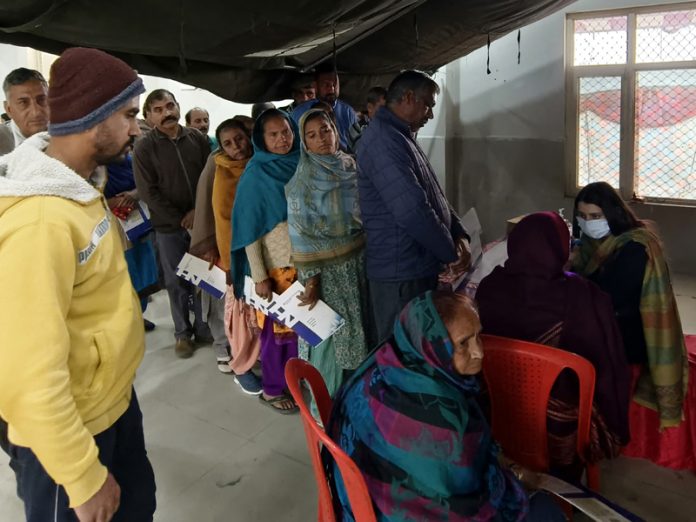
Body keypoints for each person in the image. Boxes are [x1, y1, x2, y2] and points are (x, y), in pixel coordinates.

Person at [0, 47, 155, 522]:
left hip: (110, 403)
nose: (136, 128)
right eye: (129, 114)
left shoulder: (81, 188)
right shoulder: (41, 222)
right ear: (94, 116)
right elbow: (26, 374)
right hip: (72, 435)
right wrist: (83, 477)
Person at [328, 291, 566, 521]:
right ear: (431, 347)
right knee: (545, 509)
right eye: (463, 344)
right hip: (386, 509)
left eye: (478, 336)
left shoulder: (387, 360)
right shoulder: (441, 421)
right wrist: (514, 478)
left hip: (363, 495)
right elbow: (469, 503)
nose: (479, 352)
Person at [476, 212, 631, 474]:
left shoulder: (489, 286)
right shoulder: (583, 295)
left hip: (493, 411)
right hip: (556, 428)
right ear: (560, 248)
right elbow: (607, 367)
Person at [357, 69, 470, 345]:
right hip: (399, 273)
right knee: (400, 353)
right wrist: (449, 252)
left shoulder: (401, 134)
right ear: (408, 97)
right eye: (428, 105)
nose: (431, 114)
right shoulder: (383, 141)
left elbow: (433, 194)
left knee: (419, 348)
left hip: (415, 265)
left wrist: (460, 234)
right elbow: (412, 211)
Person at [571, 181, 688, 430]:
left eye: (595, 216)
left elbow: (607, 296)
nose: (587, 222)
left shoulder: (636, 247)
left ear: (612, 214)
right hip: (609, 321)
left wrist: (566, 278)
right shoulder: (592, 246)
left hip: (631, 334)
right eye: (581, 216)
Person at [286, 109, 369, 396]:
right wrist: (311, 281)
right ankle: (324, 410)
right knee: (330, 338)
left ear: (336, 130)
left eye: (326, 130)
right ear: (304, 143)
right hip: (326, 275)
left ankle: (354, 400)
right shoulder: (303, 181)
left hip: (357, 263)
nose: (322, 139)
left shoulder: (350, 165)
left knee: (358, 332)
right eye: (312, 135)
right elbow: (301, 235)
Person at [133, 88, 212, 358]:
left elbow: (207, 178)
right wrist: (181, 218)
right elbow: (147, 192)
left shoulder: (197, 139)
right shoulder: (144, 147)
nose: (167, 113)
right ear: (149, 117)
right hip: (168, 228)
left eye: (170, 105)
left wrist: (197, 212)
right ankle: (182, 333)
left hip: (201, 222)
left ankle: (204, 327)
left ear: (178, 106)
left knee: (204, 277)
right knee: (176, 280)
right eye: (158, 110)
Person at [230, 109, 300, 413]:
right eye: (273, 134)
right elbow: (248, 233)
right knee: (276, 337)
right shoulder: (256, 175)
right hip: (275, 270)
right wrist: (259, 276)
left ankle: (296, 382)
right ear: (261, 139)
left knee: (300, 335)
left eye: (286, 131)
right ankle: (272, 389)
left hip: (304, 266)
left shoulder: (302, 162)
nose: (282, 139)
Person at [189, 116, 262, 393]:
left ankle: (258, 358)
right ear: (220, 147)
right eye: (228, 143)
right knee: (237, 314)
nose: (236, 147)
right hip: (233, 253)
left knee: (259, 313)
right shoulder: (220, 168)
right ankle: (240, 364)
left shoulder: (259, 163)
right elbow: (220, 219)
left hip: (262, 252)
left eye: (240, 139)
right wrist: (230, 262)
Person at [105, 153, 159, 332]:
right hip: (112, 223)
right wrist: (109, 201)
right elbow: (86, 195)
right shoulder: (93, 164)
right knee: (125, 271)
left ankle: (139, 314)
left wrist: (134, 194)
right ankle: (125, 318)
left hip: (137, 217)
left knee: (145, 267)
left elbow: (147, 181)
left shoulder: (130, 159)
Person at [292, 64, 357, 150]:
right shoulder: (299, 113)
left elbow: (357, 144)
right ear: (315, 86)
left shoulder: (348, 111)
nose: (332, 89)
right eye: (327, 85)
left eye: (334, 85)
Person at [0, 67, 49, 155]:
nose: (36, 112)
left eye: (42, 100)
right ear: (9, 110)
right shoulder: (2, 141)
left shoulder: (69, 135)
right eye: (23, 103)